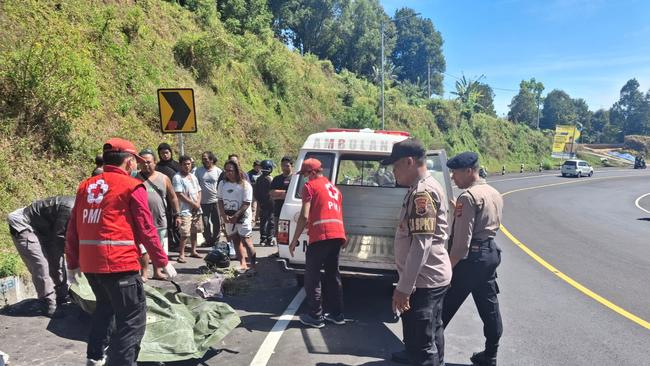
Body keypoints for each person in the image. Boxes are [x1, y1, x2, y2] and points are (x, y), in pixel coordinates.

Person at [65, 137, 176, 366]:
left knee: (104, 310)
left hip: (91, 268)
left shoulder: (86, 186)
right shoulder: (132, 186)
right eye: (134, 161)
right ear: (128, 163)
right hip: (120, 266)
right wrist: (162, 261)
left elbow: (73, 228)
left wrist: (72, 263)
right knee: (131, 321)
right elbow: (146, 228)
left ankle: (94, 358)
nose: (136, 165)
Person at [380, 139, 451, 366]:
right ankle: (414, 354)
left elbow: (421, 244)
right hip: (426, 278)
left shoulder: (423, 193)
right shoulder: (419, 188)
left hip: (424, 281)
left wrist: (404, 288)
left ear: (409, 162)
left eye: (396, 167)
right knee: (427, 329)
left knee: (424, 342)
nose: (394, 172)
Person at [442, 152, 504, 366]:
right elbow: (483, 223)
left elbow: (461, 245)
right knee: (490, 308)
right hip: (489, 255)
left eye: (455, 173)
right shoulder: (493, 192)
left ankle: (428, 353)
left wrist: (447, 268)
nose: (452, 177)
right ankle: (491, 355)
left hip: (470, 260)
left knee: (442, 306)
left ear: (469, 171)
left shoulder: (468, 198)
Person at [289, 158, 347, 328]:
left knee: (312, 277)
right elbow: (336, 213)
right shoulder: (334, 189)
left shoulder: (310, 186)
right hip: (337, 236)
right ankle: (337, 314)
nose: (305, 178)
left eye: (306, 174)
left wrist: (294, 240)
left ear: (312, 172)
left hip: (321, 236)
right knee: (332, 275)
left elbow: (304, 215)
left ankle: (316, 316)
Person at [6, 196, 75, 317]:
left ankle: (63, 297)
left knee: (57, 261)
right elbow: (59, 238)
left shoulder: (86, 213)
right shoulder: (70, 208)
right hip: (23, 223)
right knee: (41, 265)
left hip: (45, 228)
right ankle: (48, 304)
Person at [136, 149, 181, 280]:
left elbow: (173, 197)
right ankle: (144, 273)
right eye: (142, 162)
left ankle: (157, 272)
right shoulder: (134, 178)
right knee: (143, 248)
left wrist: (177, 214)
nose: (146, 165)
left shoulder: (164, 178)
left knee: (159, 247)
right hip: (141, 221)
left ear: (155, 162)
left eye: (149, 162)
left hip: (160, 219)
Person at [217, 159, 257, 274]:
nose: (228, 173)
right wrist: (223, 215)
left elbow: (246, 203)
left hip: (242, 216)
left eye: (231, 170)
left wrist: (236, 215)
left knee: (246, 241)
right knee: (235, 239)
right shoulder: (222, 184)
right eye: (226, 171)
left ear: (236, 171)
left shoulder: (245, 185)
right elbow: (219, 200)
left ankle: (253, 267)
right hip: (228, 216)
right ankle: (242, 264)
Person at [173, 155, 203, 263]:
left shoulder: (193, 176)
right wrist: (193, 203)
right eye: (184, 164)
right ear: (180, 165)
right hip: (185, 209)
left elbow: (199, 190)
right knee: (185, 233)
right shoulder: (177, 177)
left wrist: (198, 203)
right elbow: (179, 194)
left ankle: (193, 251)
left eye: (188, 164)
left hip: (196, 208)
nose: (187, 166)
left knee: (195, 230)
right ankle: (181, 254)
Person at [195, 151, 222, 247]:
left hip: (216, 201)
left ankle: (216, 240)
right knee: (205, 223)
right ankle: (208, 240)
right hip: (203, 201)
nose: (204, 160)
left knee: (217, 222)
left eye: (206, 159)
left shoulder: (218, 171)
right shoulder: (198, 171)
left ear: (211, 160)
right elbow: (195, 185)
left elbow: (221, 185)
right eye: (202, 158)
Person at [270, 156, 293, 239]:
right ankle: (279, 250)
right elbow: (272, 193)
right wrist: (286, 193)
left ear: (291, 166)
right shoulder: (277, 179)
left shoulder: (295, 179)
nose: (284, 168)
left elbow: (294, 195)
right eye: (283, 165)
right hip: (278, 210)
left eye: (287, 166)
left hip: (290, 211)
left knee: (290, 232)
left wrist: (278, 194)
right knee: (279, 232)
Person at [253, 159, 275, 246]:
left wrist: (260, 201)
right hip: (271, 204)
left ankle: (263, 239)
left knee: (263, 222)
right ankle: (269, 238)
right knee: (271, 221)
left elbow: (256, 193)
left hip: (262, 204)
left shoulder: (259, 179)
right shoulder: (270, 179)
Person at [248, 160, 262, 225]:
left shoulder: (261, 173)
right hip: (253, 193)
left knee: (259, 208)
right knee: (253, 207)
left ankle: (256, 220)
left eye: (259, 167)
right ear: (254, 166)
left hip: (260, 193)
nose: (258, 168)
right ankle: (252, 221)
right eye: (256, 166)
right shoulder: (249, 173)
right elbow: (248, 183)